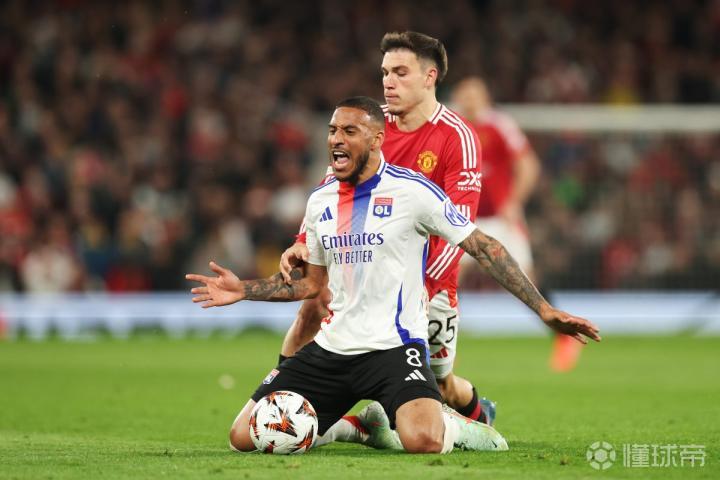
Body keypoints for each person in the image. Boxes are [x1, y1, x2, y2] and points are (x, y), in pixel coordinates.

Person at [186, 97, 601, 454]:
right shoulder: (320, 200)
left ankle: (463, 426)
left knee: (423, 440)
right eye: (332, 131)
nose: (336, 140)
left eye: (349, 131)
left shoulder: (412, 191)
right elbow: (310, 284)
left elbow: (483, 247)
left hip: (395, 348)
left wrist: (543, 309)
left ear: (376, 139)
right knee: (243, 437)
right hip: (333, 348)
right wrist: (243, 289)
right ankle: (357, 428)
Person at [279, 32, 491, 430]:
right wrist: (303, 242)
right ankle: (280, 404)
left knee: (442, 386)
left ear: (429, 77)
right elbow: (330, 187)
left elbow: (460, 230)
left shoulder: (457, 137)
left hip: (427, 283)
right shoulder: (367, 123)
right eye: (384, 73)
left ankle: (480, 417)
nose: (388, 82)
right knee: (312, 306)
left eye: (400, 73)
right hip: (359, 263)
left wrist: (423, 285)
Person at [451, 77, 582, 372]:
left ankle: (563, 335)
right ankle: (444, 349)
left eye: (474, 95)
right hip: (465, 218)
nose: (469, 100)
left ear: (485, 98)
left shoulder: (499, 124)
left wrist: (514, 201)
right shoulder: (453, 127)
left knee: (526, 280)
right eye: (465, 95)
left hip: (501, 218)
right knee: (448, 277)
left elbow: (529, 165)